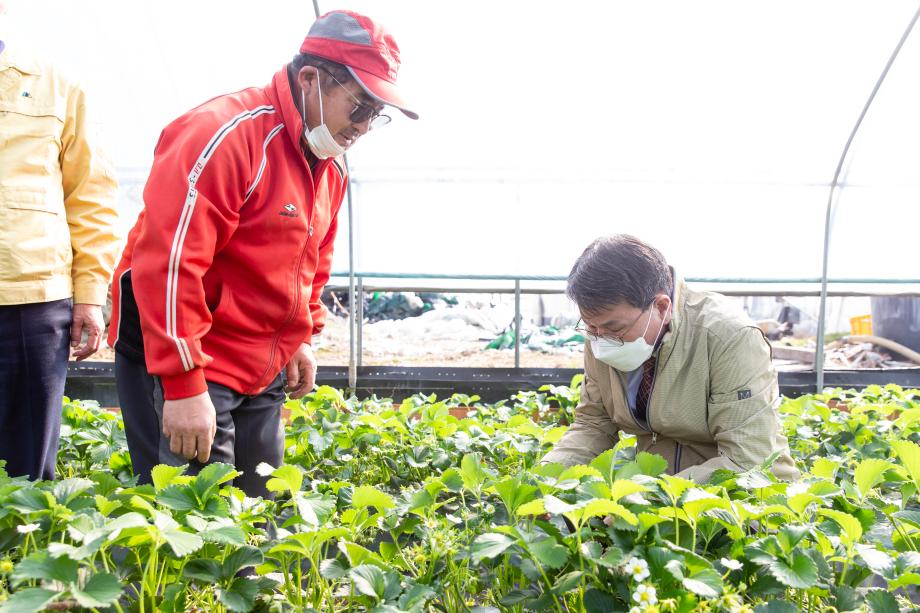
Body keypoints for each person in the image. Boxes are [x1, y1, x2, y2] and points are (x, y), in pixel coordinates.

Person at [108, 10, 418, 496]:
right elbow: (168, 264)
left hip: (260, 366)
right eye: (359, 107)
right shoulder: (224, 135)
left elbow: (312, 258)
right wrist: (184, 384)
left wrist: (302, 336)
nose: (364, 127)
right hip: (189, 358)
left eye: (376, 115)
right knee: (195, 527)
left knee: (257, 518)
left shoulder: (328, 162)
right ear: (312, 79)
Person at [542, 235, 799, 483]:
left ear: (662, 307)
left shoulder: (728, 337)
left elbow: (748, 461)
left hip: (744, 503)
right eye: (590, 327)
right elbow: (594, 425)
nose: (601, 339)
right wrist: (546, 478)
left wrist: (654, 496)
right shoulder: (601, 334)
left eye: (614, 328)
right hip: (659, 498)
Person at [0, 38, 119, 481]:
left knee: (27, 468)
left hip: (32, 301)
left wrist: (90, 295)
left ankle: (21, 548)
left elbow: (90, 193)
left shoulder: (54, 83)